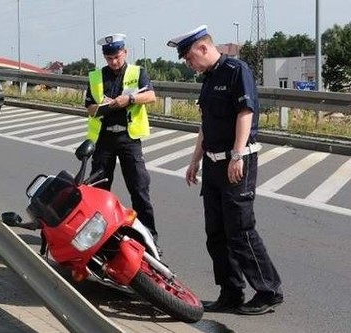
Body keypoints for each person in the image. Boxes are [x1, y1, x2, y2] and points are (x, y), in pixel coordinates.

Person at [167, 25, 283, 315]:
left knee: (240, 229)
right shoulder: (207, 79)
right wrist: (195, 160)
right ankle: (230, 292)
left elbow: (246, 112)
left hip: (236, 161)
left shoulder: (236, 70)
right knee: (216, 233)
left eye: (189, 57)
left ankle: (268, 291)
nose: (188, 63)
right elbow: (205, 123)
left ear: (203, 48)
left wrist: (237, 154)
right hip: (212, 162)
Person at [84, 33, 159, 244]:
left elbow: (151, 96)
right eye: (109, 58)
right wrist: (105, 106)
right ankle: (99, 238)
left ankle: (149, 238)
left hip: (129, 139)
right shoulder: (96, 77)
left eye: (117, 56)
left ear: (125, 52)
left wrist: (130, 99)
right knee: (99, 189)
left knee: (139, 189)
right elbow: (90, 108)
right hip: (104, 139)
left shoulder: (137, 72)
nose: (114, 62)